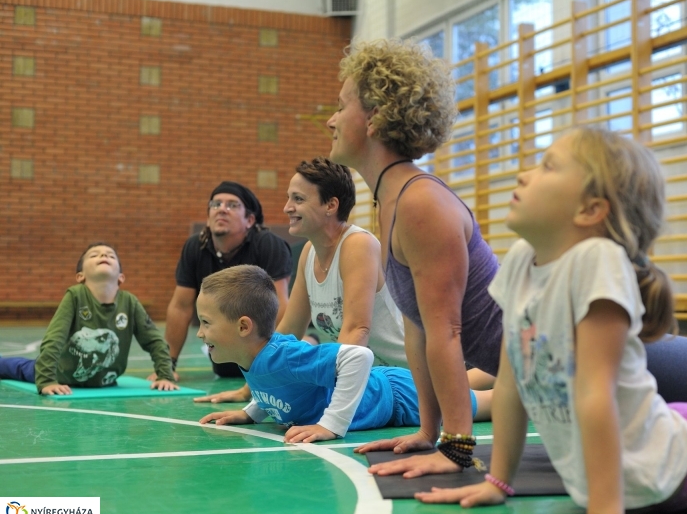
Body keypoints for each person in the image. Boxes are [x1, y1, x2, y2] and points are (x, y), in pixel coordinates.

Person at [331, 38, 687, 478]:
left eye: (341, 105)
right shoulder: (390, 200)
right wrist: (428, 430)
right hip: (556, 366)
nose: (331, 120)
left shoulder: (420, 202)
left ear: (374, 118)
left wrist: (456, 446)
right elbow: (417, 327)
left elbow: (446, 332)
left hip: (609, 354)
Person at [415, 127, 687, 514]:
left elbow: (595, 392)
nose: (523, 175)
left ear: (590, 210)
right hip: (673, 432)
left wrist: (603, 513)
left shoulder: (597, 261)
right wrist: (497, 482)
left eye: (548, 167)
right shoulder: (521, 261)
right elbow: (512, 386)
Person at [195, 265, 491, 442]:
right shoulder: (255, 356)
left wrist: (331, 424)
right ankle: (498, 368)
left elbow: (358, 357)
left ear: (243, 327)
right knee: (457, 383)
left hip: (397, 399)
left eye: (206, 323)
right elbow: (278, 385)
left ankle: (517, 379)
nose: (199, 333)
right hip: (387, 388)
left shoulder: (283, 356)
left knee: (487, 403)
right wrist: (250, 413)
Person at [194, 156, 406, 404]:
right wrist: (252, 393)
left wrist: (334, 408)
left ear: (331, 205)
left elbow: (357, 330)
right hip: (368, 383)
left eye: (298, 199)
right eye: (289, 198)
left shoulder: (358, 244)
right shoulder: (309, 252)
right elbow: (288, 330)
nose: (287, 207)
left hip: (404, 381)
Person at [0, 243, 178, 395]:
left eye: (111, 256)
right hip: (61, 374)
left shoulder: (130, 303)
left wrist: (165, 376)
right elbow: (54, 338)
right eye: (94, 255)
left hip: (104, 382)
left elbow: (155, 341)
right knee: (17, 367)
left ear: (121, 277)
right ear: (80, 276)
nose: (103, 255)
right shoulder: (75, 295)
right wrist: (47, 380)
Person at [160, 181, 293, 380]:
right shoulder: (195, 247)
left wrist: (272, 362)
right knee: (225, 371)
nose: (221, 209)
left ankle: (308, 342)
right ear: (208, 218)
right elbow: (180, 307)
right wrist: (167, 365)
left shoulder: (269, 245)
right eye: (216, 204)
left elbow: (280, 306)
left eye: (232, 205)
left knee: (274, 363)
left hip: (261, 340)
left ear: (250, 220)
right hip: (228, 341)